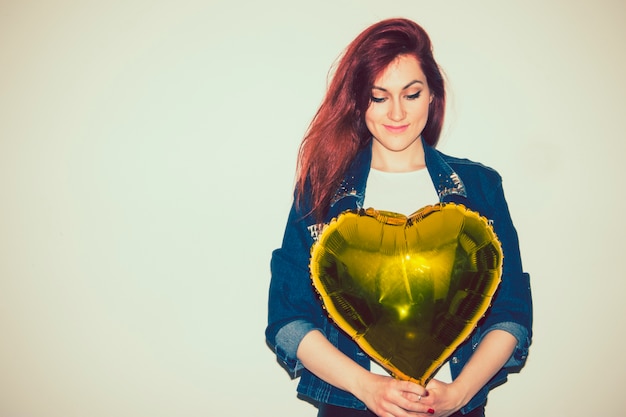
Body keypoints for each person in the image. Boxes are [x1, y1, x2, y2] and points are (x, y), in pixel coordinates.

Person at [265, 18, 532, 417]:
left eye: (411, 94)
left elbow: (511, 312)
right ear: (359, 101)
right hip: (350, 408)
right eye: (379, 96)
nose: (396, 112)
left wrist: (458, 394)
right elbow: (288, 318)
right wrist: (368, 386)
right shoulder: (320, 190)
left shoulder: (481, 188)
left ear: (431, 97)